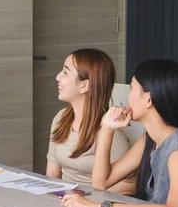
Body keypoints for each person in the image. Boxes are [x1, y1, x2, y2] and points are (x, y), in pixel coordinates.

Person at [62, 59, 178, 207]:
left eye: (132, 88)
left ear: (148, 99)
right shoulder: (150, 139)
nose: (127, 96)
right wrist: (107, 128)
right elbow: (100, 182)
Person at [46, 49, 133, 194]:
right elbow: (52, 176)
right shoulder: (60, 119)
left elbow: (129, 185)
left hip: (92, 206)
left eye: (66, 72)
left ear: (84, 85)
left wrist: (86, 199)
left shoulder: (111, 133)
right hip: (64, 202)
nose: (58, 77)